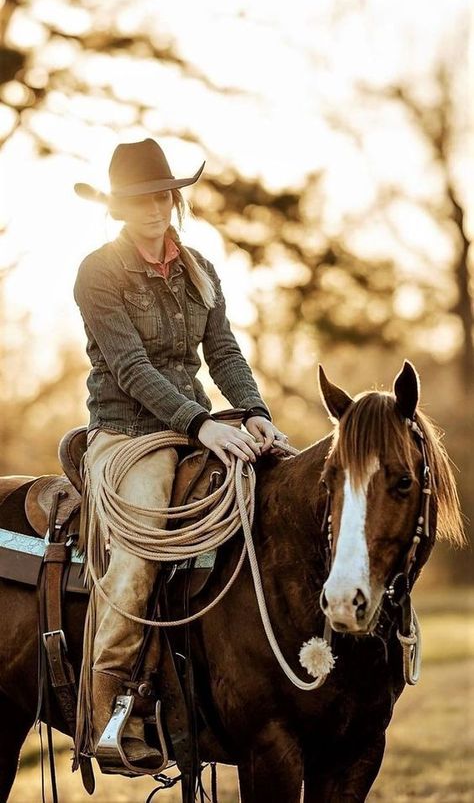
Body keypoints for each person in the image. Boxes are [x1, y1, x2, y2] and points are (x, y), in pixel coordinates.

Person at [73, 138, 287, 772]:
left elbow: (223, 353)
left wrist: (255, 416)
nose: (154, 207)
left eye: (163, 194)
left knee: (296, 493)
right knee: (140, 555)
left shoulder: (198, 268)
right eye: (140, 198)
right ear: (120, 206)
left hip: (198, 422)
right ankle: (108, 710)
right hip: (128, 433)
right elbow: (131, 368)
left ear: (175, 198)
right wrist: (200, 425)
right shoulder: (98, 271)